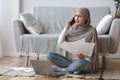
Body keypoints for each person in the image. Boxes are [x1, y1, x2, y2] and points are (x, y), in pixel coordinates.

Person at [47, 8, 99, 76]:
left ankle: (63, 70)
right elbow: (60, 42)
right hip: (71, 61)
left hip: (84, 62)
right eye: (75, 16)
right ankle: (73, 69)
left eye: (80, 16)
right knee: (50, 55)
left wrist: (84, 56)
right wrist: (66, 27)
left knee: (80, 62)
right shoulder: (72, 29)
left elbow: (94, 52)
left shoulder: (92, 31)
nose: (76, 18)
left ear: (86, 18)